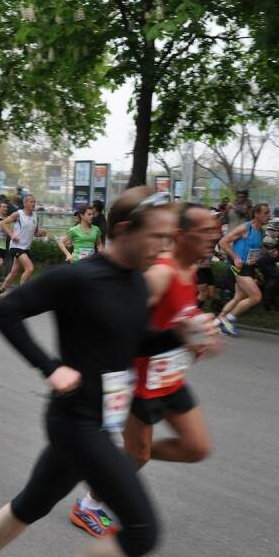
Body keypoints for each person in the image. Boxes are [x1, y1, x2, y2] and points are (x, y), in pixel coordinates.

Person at [0, 188, 217, 557]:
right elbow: (7, 312)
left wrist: (180, 336)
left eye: (171, 239)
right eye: (159, 238)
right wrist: (50, 367)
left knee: (33, 503)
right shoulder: (79, 277)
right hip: (75, 420)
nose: (165, 248)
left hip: (100, 419)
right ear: (126, 231)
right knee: (142, 530)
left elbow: (131, 345)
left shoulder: (135, 280)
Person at [70, 203, 221, 538]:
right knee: (137, 456)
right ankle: (89, 504)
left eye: (215, 230)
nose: (215, 237)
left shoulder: (190, 269)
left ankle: (114, 463)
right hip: (140, 384)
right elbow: (124, 325)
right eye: (206, 231)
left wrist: (197, 335)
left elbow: (178, 318)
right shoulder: (160, 274)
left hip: (170, 379)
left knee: (196, 448)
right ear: (181, 236)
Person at [216, 203, 271, 337]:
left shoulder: (261, 231)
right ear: (257, 214)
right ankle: (228, 320)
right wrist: (235, 257)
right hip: (240, 267)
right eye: (266, 213)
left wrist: (269, 252)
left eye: (269, 213)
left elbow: (258, 248)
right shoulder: (245, 228)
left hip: (250, 267)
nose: (269, 216)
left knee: (239, 297)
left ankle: (218, 321)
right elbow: (223, 242)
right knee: (256, 296)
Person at [0, 195, 47, 297]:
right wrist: (11, 235)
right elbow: (3, 223)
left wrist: (41, 233)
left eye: (34, 202)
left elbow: (35, 233)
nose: (33, 204)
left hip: (26, 247)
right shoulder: (18, 214)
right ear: (25, 203)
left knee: (14, 272)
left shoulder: (36, 216)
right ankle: (19, 295)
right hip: (16, 246)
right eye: (31, 202)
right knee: (30, 268)